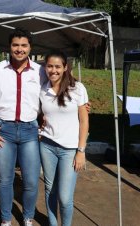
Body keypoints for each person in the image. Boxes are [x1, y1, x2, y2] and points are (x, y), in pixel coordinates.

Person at [0, 28, 42, 226]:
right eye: (16, 45)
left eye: (24, 45)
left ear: (30, 47)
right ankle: (6, 220)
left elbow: (57, 90)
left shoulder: (41, 72)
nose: (20, 49)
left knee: (31, 181)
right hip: (2, 130)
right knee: (5, 180)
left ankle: (27, 218)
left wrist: (80, 101)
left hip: (30, 131)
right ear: (9, 47)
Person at [39, 50, 89, 226]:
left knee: (65, 197)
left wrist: (81, 151)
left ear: (65, 67)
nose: (53, 70)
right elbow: (39, 114)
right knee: (49, 190)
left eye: (58, 66)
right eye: (50, 66)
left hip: (70, 150)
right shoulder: (43, 90)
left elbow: (84, 121)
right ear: (45, 68)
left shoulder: (77, 88)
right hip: (46, 146)